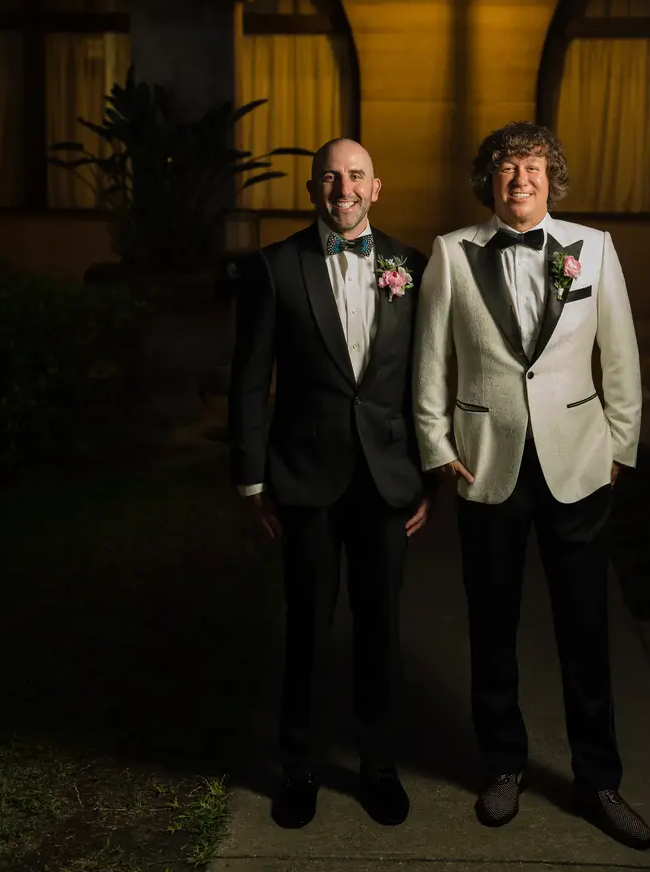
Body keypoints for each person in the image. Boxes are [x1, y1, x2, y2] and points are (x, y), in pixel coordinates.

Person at [412, 121, 650, 850]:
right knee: (492, 627)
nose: (521, 178)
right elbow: (430, 360)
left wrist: (620, 443)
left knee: (586, 628)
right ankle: (503, 766)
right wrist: (436, 444)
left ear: (552, 180)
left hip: (579, 464)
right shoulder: (452, 253)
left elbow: (620, 355)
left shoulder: (593, 248)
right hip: (488, 462)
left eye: (534, 167)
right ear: (489, 180)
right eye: (508, 167)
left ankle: (598, 779)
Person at [228, 138, 432, 830]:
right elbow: (249, 380)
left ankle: (378, 765)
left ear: (376, 188)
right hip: (304, 478)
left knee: (380, 629)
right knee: (308, 629)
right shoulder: (274, 267)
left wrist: (427, 477)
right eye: (329, 178)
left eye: (355, 177)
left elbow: (424, 379)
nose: (342, 189)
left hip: (387, 481)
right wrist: (251, 482)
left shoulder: (412, 265)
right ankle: (300, 767)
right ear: (313, 188)